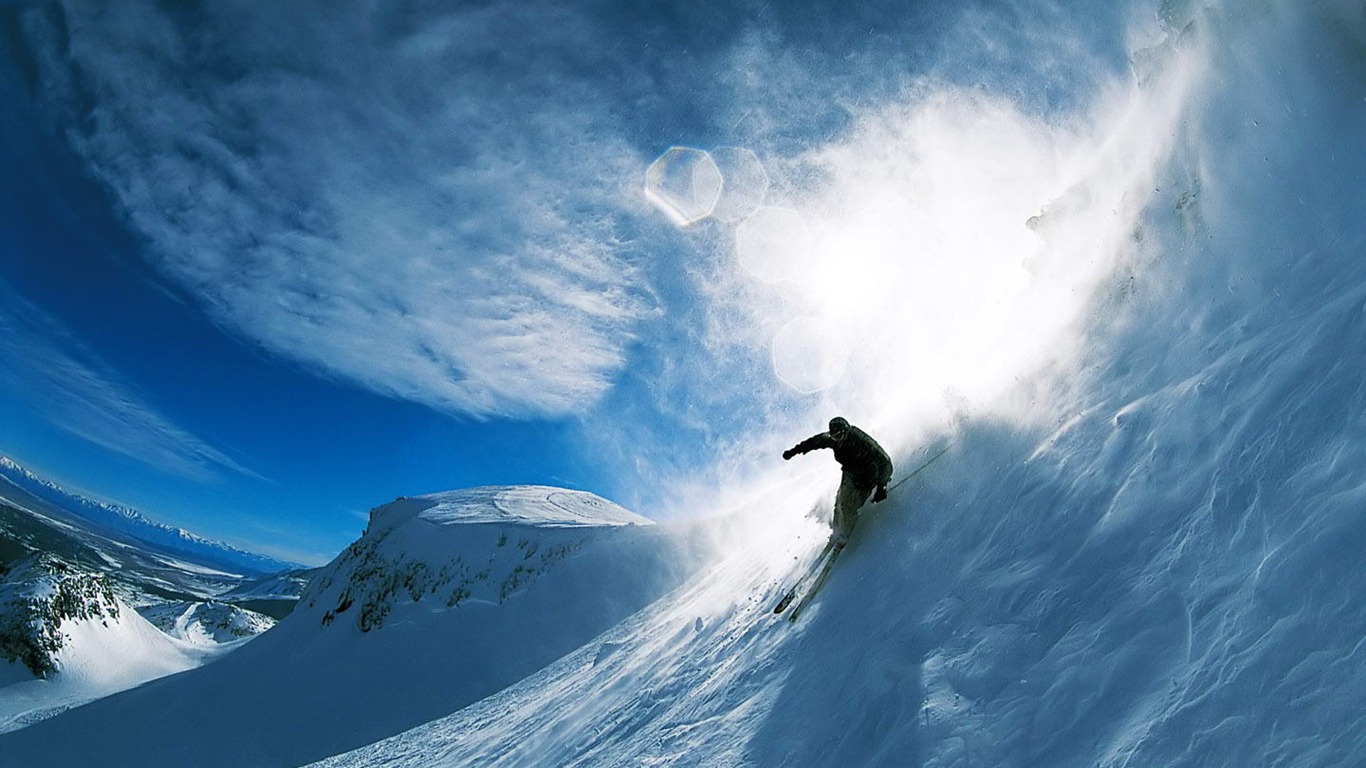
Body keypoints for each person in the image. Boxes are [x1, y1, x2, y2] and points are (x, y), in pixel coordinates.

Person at [783, 417, 893, 543]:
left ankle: (845, 534)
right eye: (834, 436)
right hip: (850, 474)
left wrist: (882, 486)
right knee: (839, 503)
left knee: (848, 506)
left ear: (846, 431)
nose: (837, 439)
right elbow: (812, 442)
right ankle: (837, 531)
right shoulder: (832, 440)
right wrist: (793, 451)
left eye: (839, 436)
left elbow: (885, 461)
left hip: (868, 475)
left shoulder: (858, 438)